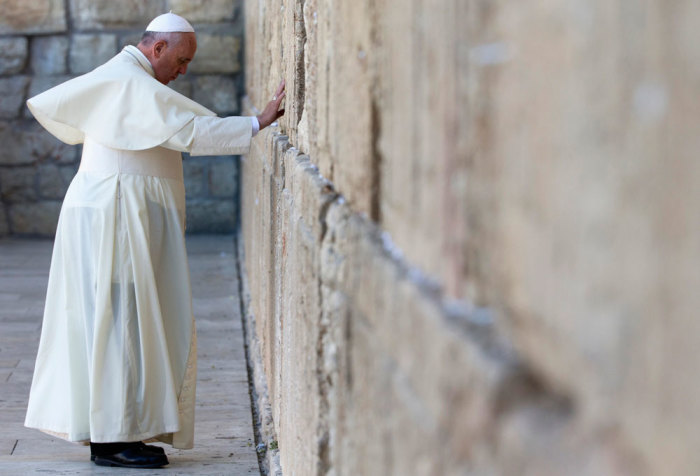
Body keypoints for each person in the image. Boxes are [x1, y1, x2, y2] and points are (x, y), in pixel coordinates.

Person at [23, 12, 285, 469]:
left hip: (113, 213)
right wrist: (255, 123)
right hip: (114, 217)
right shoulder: (131, 82)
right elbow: (188, 131)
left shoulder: (129, 77)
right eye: (180, 61)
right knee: (119, 322)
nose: (183, 72)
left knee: (123, 321)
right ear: (157, 48)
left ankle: (121, 430)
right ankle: (111, 440)